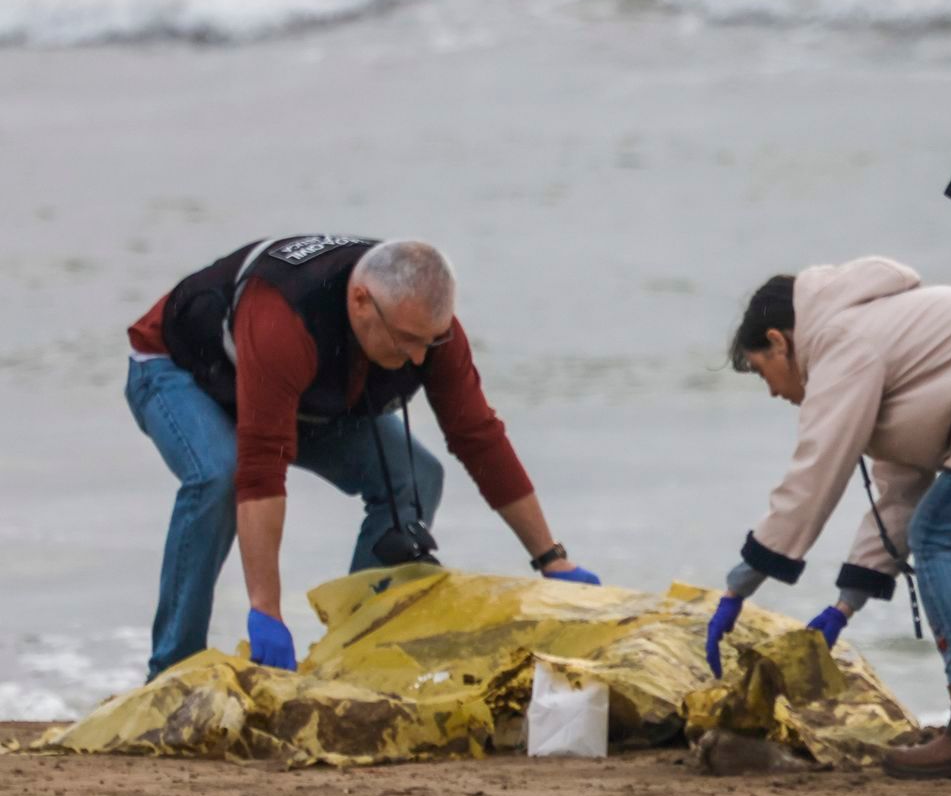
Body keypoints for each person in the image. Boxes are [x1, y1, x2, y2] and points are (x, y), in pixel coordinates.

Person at [125, 236, 599, 679]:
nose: (417, 359)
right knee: (220, 475)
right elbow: (261, 465)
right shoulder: (283, 318)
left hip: (304, 393)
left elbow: (478, 436)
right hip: (178, 369)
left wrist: (550, 558)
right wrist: (265, 609)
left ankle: (348, 657)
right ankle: (172, 672)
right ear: (361, 302)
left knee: (416, 474)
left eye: (429, 341)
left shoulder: (426, 330)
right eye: (407, 340)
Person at [707, 257, 951, 780]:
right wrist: (844, 608)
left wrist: (739, 584)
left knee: (938, 540)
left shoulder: (842, 341)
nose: (774, 391)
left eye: (762, 372)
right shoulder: (879, 335)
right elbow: (898, 492)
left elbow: (815, 470)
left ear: (779, 341)